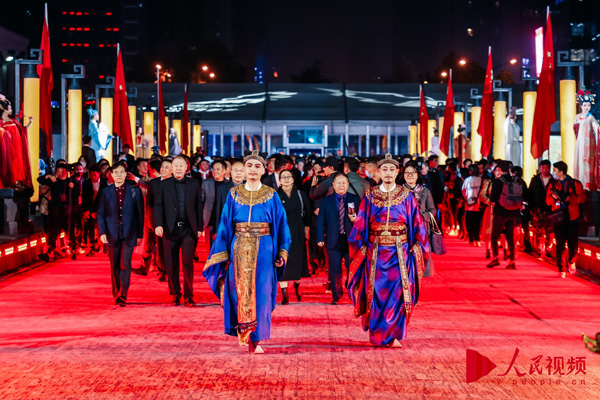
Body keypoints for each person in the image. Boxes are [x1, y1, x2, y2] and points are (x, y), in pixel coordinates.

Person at [203, 151, 292, 354]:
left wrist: (282, 252)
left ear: (264, 170)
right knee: (237, 290)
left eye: (257, 166)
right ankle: (243, 331)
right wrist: (222, 255)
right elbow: (225, 225)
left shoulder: (271, 195)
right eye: (249, 166)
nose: (252, 170)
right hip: (239, 247)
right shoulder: (234, 194)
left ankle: (256, 339)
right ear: (243, 170)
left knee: (262, 293)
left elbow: (282, 226)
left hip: (264, 249)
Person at [347, 154, 429, 347]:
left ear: (397, 171)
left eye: (392, 170)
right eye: (385, 169)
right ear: (378, 172)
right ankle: (377, 334)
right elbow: (359, 225)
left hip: (399, 253)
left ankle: (393, 335)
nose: (388, 173)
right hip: (375, 253)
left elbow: (418, 226)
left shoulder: (407, 196)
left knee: (397, 295)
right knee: (375, 293)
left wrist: (417, 248)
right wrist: (360, 249)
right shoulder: (369, 195)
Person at [154, 156, 203, 306]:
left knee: (188, 262)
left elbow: (198, 206)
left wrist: (199, 227)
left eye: (181, 165)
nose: (178, 168)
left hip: (188, 229)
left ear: (186, 167)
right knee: (171, 263)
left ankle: (188, 295)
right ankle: (175, 293)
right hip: (170, 229)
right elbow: (158, 206)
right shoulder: (164, 184)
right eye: (176, 165)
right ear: (171, 168)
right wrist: (158, 224)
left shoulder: (194, 184)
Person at [97, 161, 144, 307]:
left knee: (125, 264)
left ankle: (123, 294)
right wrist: (102, 232)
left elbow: (140, 214)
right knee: (114, 265)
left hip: (129, 232)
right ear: (111, 174)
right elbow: (101, 214)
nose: (118, 175)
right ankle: (116, 293)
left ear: (126, 174)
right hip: (111, 233)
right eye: (115, 172)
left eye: (121, 172)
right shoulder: (105, 192)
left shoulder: (134, 191)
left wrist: (139, 235)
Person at [316, 173, 361, 304]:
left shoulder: (355, 199)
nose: (341, 185)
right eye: (338, 183)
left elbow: (362, 220)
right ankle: (336, 295)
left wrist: (356, 220)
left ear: (348, 185)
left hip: (351, 240)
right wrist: (320, 237)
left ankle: (353, 292)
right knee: (334, 269)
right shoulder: (326, 201)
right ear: (334, 185)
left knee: (352, 268)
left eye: (344, 183)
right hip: (333, 239)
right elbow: (320, 221)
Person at [546, 161, 586, 278]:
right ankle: (561, 268)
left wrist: (570, 198)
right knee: (560, 244)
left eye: (555, 170)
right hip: (558, 218)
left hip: (573, 217)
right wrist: (553, 197)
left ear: (561, 171)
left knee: (573, 244)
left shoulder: (575, 184)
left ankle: (572, 261)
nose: (553, 172)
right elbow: (547, 202)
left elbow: (582, 198)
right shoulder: (553, 185)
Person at [277, 169, 311, 304]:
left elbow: (307, 213)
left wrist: (306, 230)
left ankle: (297, 286)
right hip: (282, 232)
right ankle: (284, 293)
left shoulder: (300, 194)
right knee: (282, 260)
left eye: (288, 177)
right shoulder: (275, 195)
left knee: (298, 261)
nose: (286, 179)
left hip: (297, 231)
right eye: (283, 177)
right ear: (279, 180)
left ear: (293, 179)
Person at [486, 161, 524, 270]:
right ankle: (512, 261)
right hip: (514, 212)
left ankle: (496, 258)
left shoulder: (498, 181)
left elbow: (493, 199)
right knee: (510, 238)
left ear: (500, 169)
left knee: (494, 236)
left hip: (500, 212)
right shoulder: (517, 180)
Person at [401, 161, 436, 277]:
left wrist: (424, 216)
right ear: (403, 175)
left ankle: (421, 271)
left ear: (417, 175)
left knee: (421, 250)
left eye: (413, 173)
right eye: (407, 173)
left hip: (422, 227)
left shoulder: (425, 191)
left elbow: (432, 210)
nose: (410, 175)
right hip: (404, 227)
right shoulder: (399, 192)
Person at [0, 96, 32, 189]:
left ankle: (18, 183)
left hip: (18, 147)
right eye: (9, 108)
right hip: (8, 147)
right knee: (10, 165)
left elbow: (23, 131)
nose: (11, 110)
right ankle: (12, 183)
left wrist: (30, 122)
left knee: (19, 165)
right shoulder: (1, 122)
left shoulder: (13, 120)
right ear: (4, 110)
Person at [201, 160, 234, 247]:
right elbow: (201, 201)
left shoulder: (230, 185)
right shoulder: (206, 183)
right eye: (213, 169)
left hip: (224, 220)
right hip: (209, 219)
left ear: (224, 171)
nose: (215, 172)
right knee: (210, 247)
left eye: (218, 169)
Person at [573, 89, 600, 191]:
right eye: (584, 105)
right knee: (580, 161)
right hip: (580, 143)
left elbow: (597, 127)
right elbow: (574, 128)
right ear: (581, 106)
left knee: (589, 162)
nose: (586, 107)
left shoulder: (590, 117)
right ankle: (580, 183)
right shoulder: (577, 117)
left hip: (589, 143)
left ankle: (589, 184)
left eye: (588, 105)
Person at [529, 160, 556, 258]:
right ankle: (540, 249)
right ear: (540, 168)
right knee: (538, 230)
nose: (545, 170)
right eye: (543, 168)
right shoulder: (535, 180)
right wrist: (531, 208)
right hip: (538, 209)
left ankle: (549, 249)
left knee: (550, 230)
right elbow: (530, 194)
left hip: (550, 209)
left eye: (547, 168)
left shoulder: (554, 181)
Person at [82, 164, 107, 257]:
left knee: (103, 229)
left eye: (95, 175)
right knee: (90, 229)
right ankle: (92, 247)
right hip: (90, 209)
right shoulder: (87, 183)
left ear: (99, 174)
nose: (93, 177)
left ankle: (104, 246)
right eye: (91, 175)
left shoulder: (105, 183)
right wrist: (86, 210)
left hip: (102, 210)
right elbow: (84, 198)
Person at [462, 164, 483, 246]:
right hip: (479, 204)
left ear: (470, 171)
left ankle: (471, 239)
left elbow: (463, 190)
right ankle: (477, 239)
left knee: (470, 223)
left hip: (469, 205)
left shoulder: (467, 180)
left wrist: (467, 198)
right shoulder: (481, 179)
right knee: (478, 223)